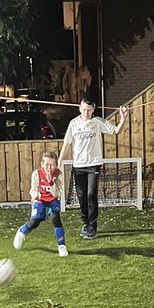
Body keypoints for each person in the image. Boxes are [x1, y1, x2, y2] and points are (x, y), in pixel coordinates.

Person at [57, 97, 128, 238]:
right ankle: (85, 222)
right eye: (84, 109)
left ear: (93, 109)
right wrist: (59, 160)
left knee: (90, 195)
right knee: (81, 196)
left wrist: (123, 118)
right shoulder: (74, 124)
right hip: (78, 166)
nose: (86, 112)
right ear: (79, 108)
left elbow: (116, 131)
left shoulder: (97, 122)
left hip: (93, 164)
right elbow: (67, 143)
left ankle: (92, 226)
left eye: (89, 110)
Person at [13, 150, 68, 257]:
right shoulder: (36, 174)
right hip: (40, 199)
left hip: (52, 199)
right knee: (35, 221)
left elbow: (57, 193)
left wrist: (51, 182)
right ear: (42, 164)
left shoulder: (59, 175)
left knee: (55, 218)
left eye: (52, 165)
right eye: (46, 164)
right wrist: (35, 196)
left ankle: (61, 245)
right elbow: (33, 189)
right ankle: (22, 231)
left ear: (56, 165)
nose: (49, 167)